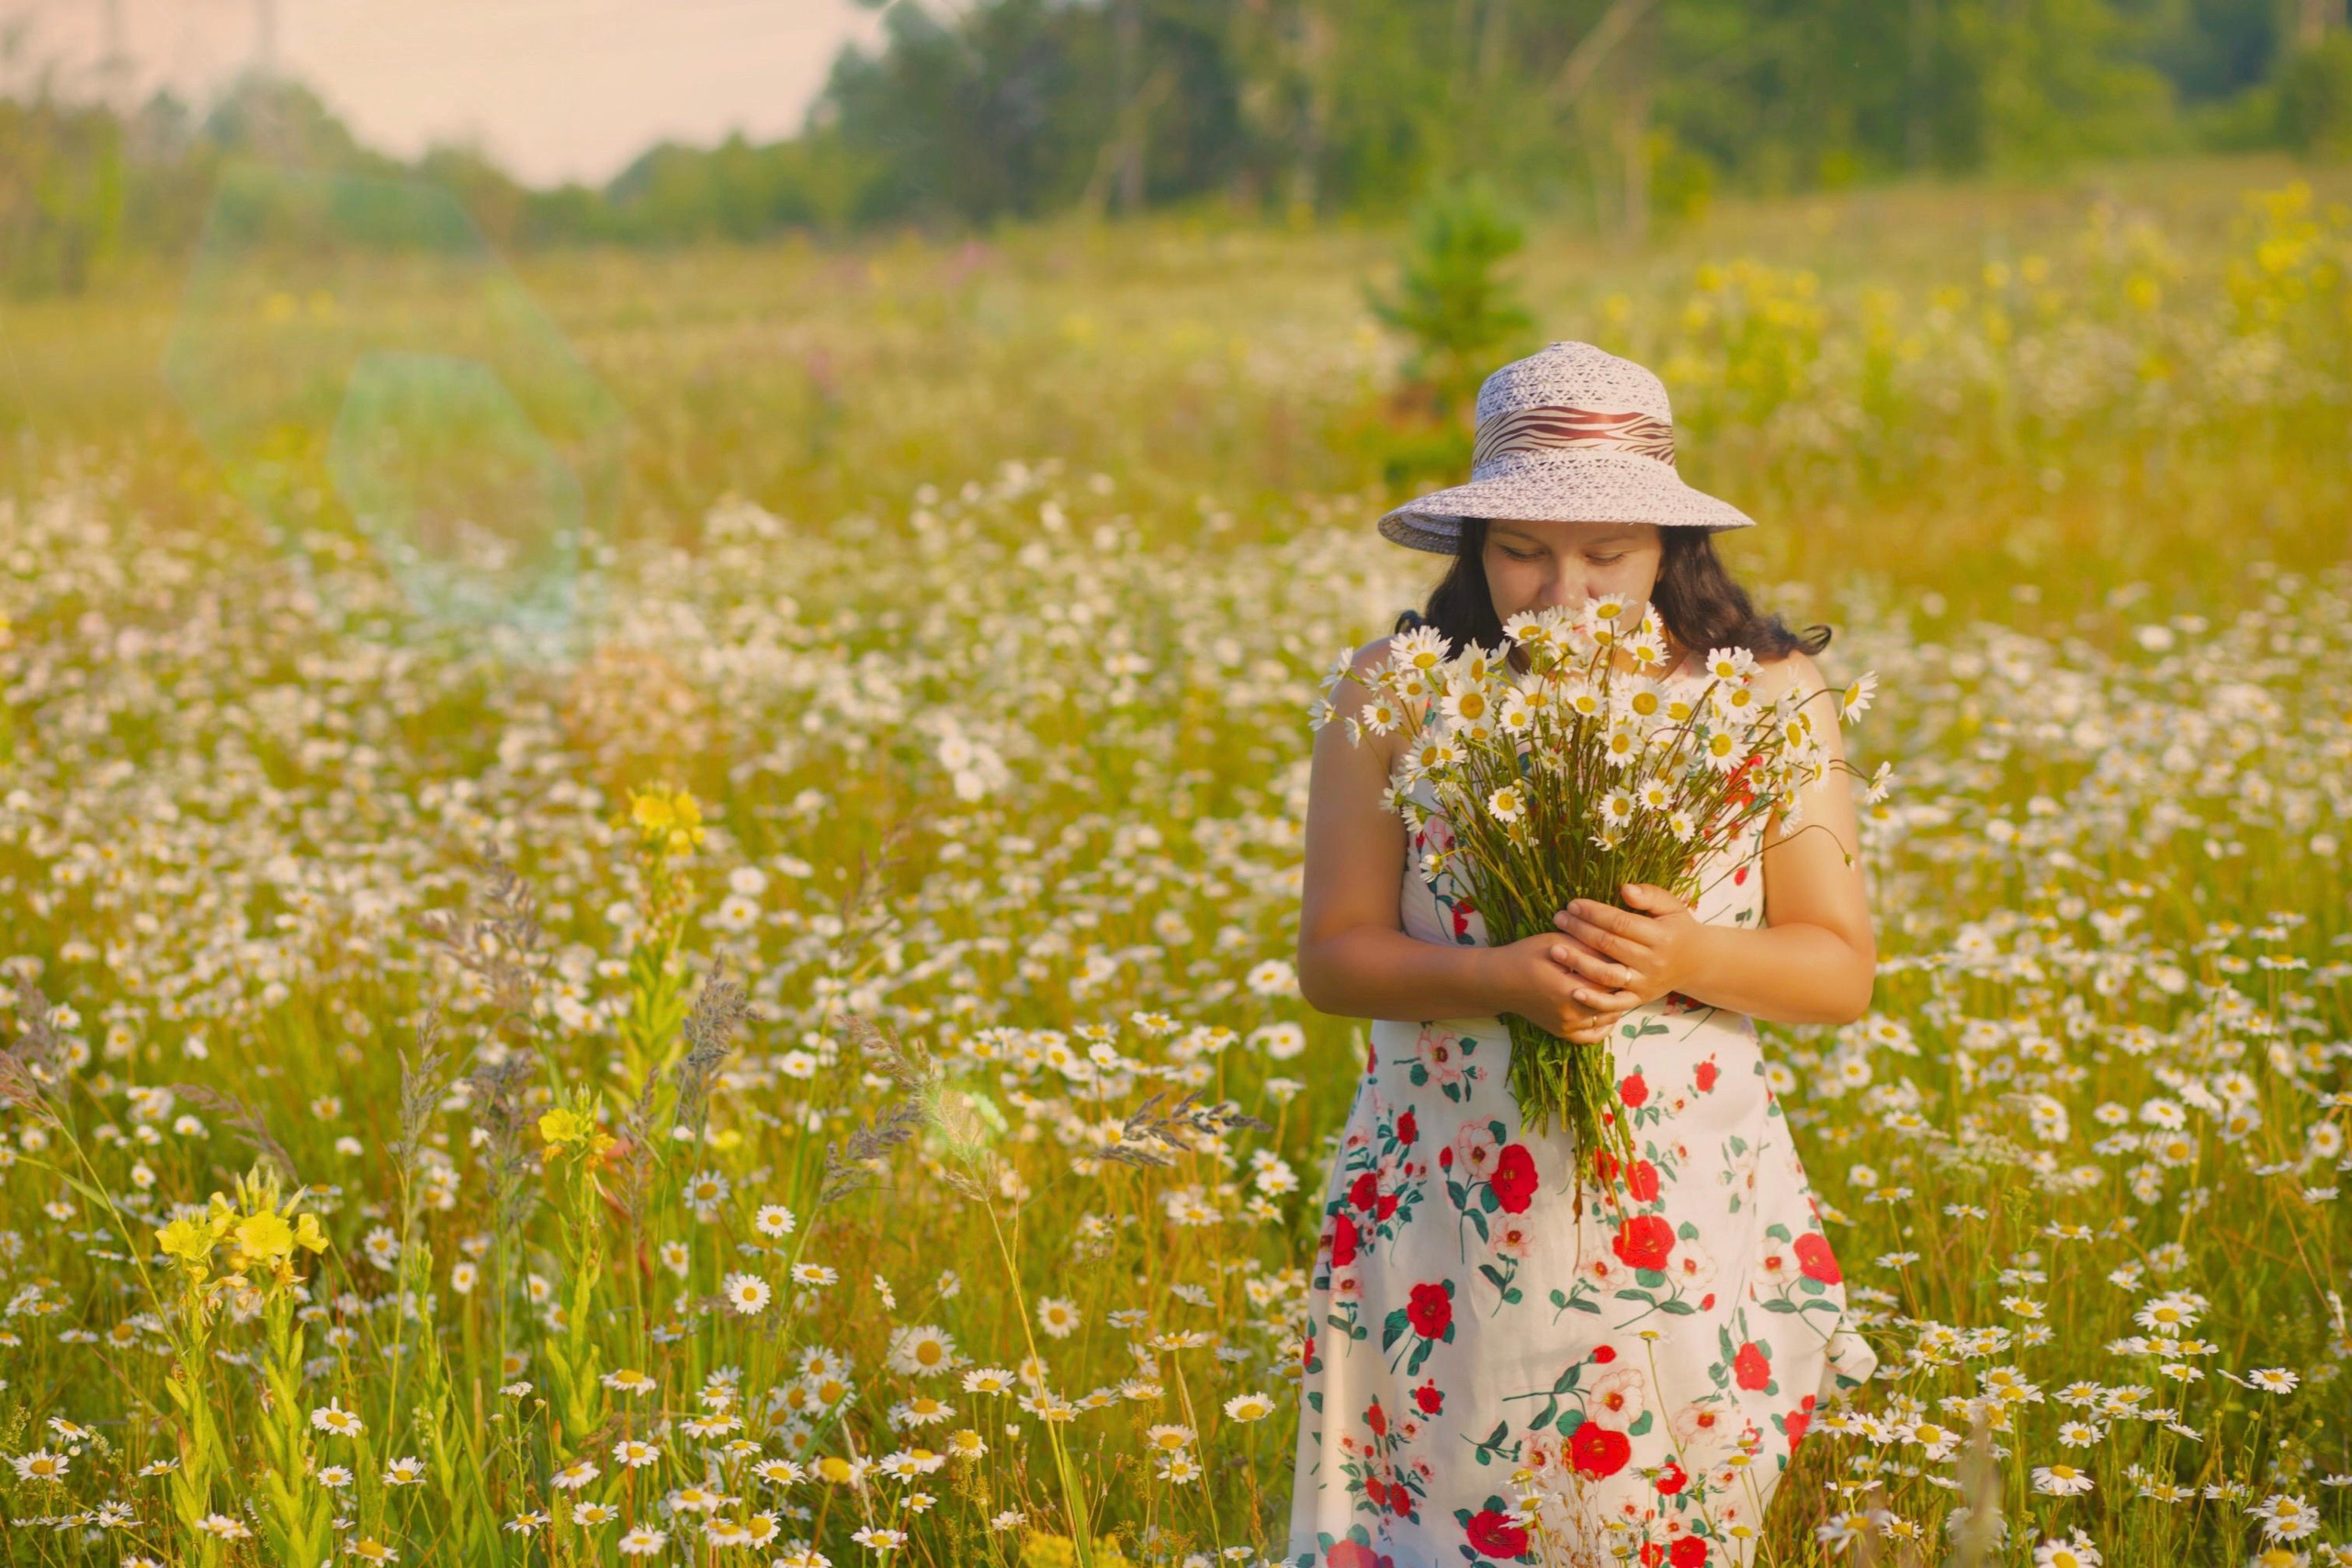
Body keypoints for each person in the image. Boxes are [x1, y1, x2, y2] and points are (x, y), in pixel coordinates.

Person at [1286, 343, 1881, 1568]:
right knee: (1444, 1523)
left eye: (1607, 553)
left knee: (1673, 1521)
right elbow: (1336, 959)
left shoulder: (1765, 690)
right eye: (1520, 551)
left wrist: (1683, 954)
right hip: (1453, 1200)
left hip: (1681, 1194)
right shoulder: (1396, 689)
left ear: (1671, 545)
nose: (1564, 590)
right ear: (1473, 546)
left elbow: (1837, 970)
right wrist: (1498, 977)